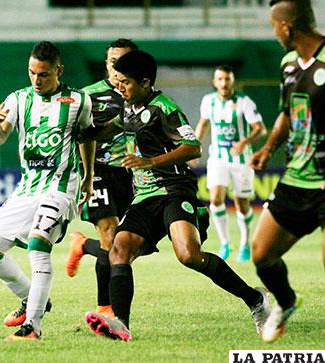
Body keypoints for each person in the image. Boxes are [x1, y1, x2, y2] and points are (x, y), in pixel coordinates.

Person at [82, 50, 270, 342]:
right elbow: (104, 131)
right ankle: (120, 324)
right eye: (118, 82)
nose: (120, 87)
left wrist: (152, 162)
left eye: (126, 83)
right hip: (145, 195)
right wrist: (77, 130)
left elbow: (193, 147)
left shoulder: (163, 108)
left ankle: (255, 299)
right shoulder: (127, 108)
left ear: (145, 82)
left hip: (174, 188)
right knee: (119, 249)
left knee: (188, 255)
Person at [0, 41, 96, 341]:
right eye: (32, 73)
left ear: (59, 70)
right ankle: (31, 297)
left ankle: (33, 326)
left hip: (60, 189)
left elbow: (87, 137)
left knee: (39, 244)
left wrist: (89, 176)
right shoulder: (17, 100)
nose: (37, 80)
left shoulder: (79, 102)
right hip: (27, 189)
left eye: (43, 74)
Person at [250, 0, 325, 343]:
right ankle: (286, 302)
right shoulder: (287, 64)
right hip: (298, 176)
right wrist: (268, 148)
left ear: (286, 27)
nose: (273, 32)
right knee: (262, 254)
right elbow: (286, 112)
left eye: (273, 26)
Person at [65, 39, 138, 319]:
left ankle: (83, 245)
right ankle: (105, 307)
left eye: (124, 64)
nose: (118, 70)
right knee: (109, 233)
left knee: (129, 246)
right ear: (106, 64)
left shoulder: (141, 94)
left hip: (131, 172)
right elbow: (76, 134)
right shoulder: (88, 95)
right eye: (112, 63)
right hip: (97, 170)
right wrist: (86, 172)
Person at [193, 65, 266, 262]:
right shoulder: (208, 101)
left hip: (241, 160)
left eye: (227, 79)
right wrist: (194, 146)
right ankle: (224, 243)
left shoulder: (244, 102)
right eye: (220, 79)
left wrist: (244, 141)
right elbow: (204, 123)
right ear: (214, 82)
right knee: (215, 198)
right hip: (218, 158)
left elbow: (260, 129)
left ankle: (244, 243)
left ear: (232, 81)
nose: (224, 83)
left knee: (241, 203)